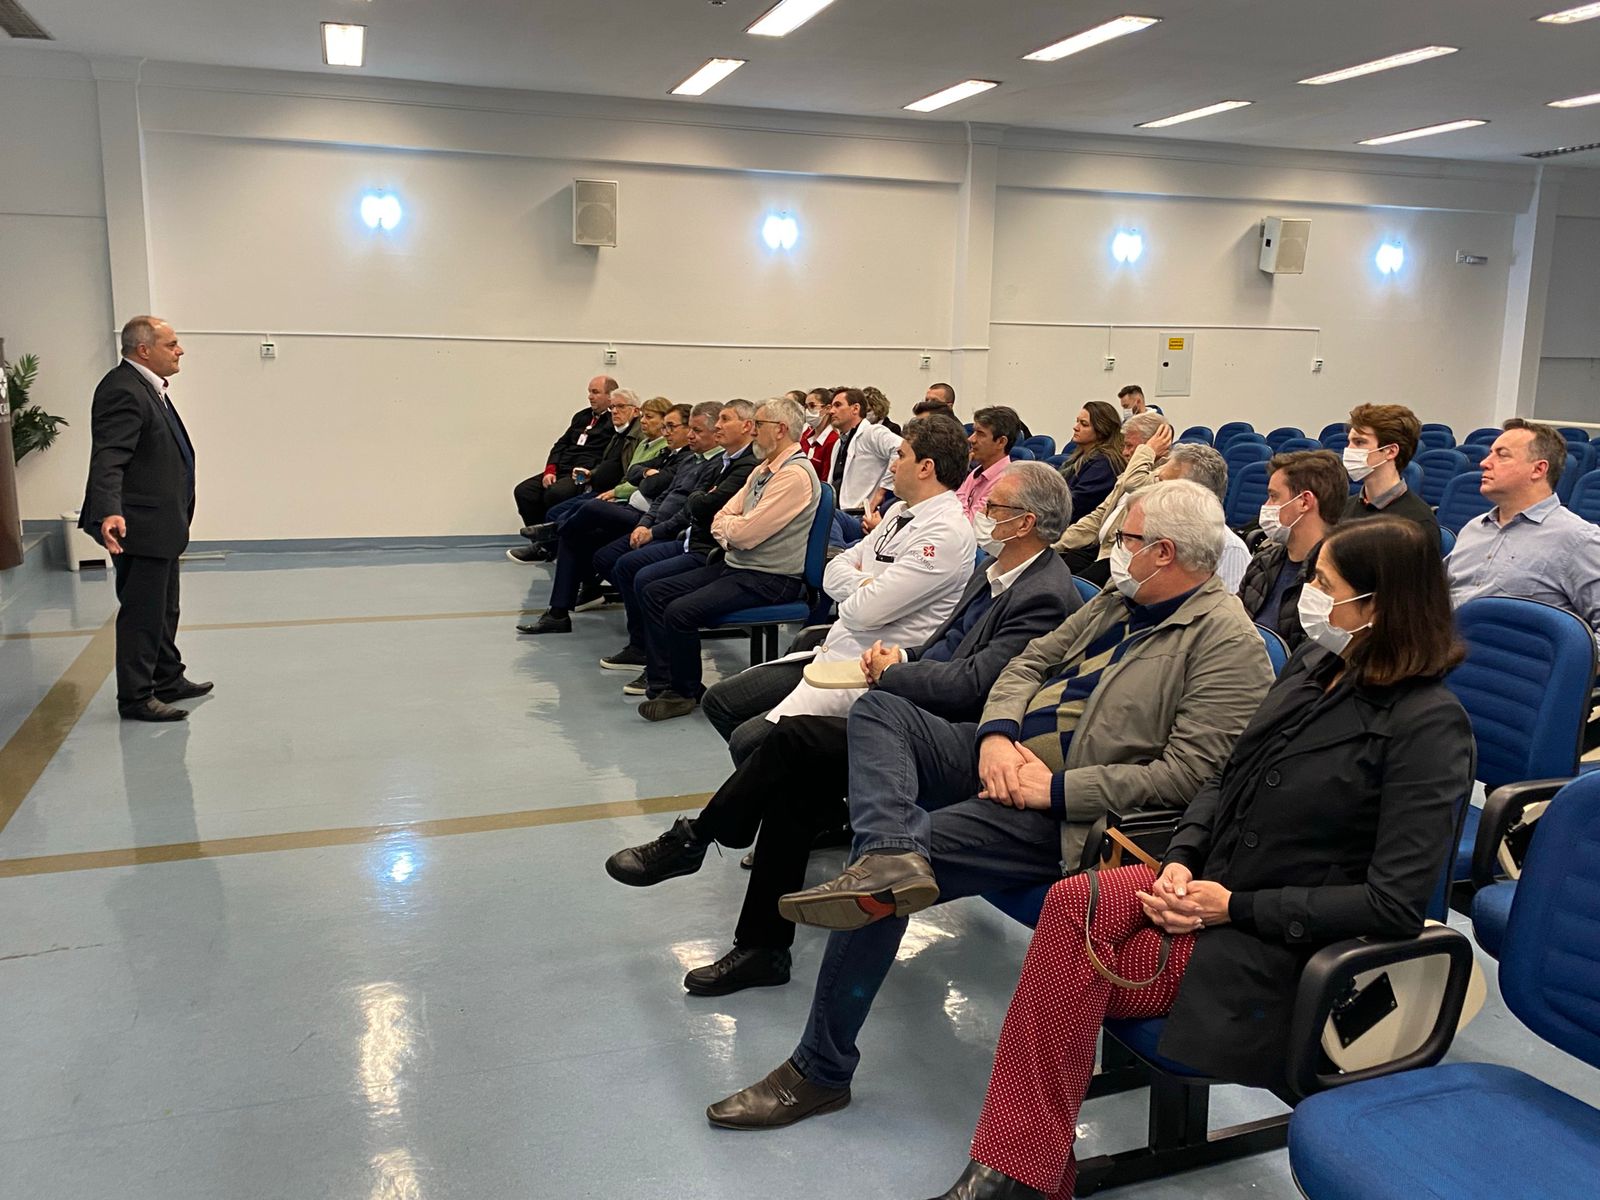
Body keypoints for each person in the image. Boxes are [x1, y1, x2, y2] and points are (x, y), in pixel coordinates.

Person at [925, 516, 1472, 1200]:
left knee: (1077, 969)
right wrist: (1182, 858)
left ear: (1378, 607)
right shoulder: (1317, 664)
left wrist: (1230, 907)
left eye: (1325, 585)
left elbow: (1392, 903)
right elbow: (1226, 776)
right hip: (1210, 882)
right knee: (1075, 904)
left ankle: (1018, 1172)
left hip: (1276, 935)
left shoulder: (1427, 724)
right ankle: (1025, 1167)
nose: (1308, 592)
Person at [704, 481, 1274, 1131]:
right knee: (882, 712)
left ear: (1165, 553)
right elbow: (1029, 666)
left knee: (885, 884)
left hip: (1072, 817)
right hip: (1007, 760)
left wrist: (1052, 790)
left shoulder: (1228, 646)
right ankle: (891, 852)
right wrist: (1000, 737)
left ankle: (819, 1069)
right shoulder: (1120, 599)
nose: (1115, 551)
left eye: (1127, 541)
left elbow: (1189, 779)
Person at [603, 464, 1082, 997]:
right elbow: (948, 649)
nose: (984, 517)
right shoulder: (995, 572)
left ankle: (696, 842)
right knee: (795, 767)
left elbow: (976, 685)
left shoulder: (1043, 594)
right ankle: (759, 943)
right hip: (917, 710)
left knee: (795, 741)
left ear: (1025, 523)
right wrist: (902, 657)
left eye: (995, 509)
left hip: (962, 738)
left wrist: (897, 673)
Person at [700, 414, 977, 764]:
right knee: (720, 702)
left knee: (749, 741)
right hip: (837, 646)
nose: (893, 464)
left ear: (925, 467)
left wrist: (858, 592)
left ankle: (793, 797)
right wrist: (865, 585)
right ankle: (787, 786)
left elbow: (863, 611)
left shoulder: (945, 532)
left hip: (869, 670)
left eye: (901, 455)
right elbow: (834, 570)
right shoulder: (899, 513)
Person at [635, 397, 822, 720]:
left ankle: (683, 692)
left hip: (772, 578)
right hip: (739, 565)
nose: (753, 432)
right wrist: (729, 531)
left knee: (680, 611)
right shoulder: (764, 468)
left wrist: (730, 531)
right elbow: (722, 515)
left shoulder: (794, 475)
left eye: (758, 425)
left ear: (779, 430)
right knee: (655, 591)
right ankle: (667, 683)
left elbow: (745, 534)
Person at [79, 316, 211, 722]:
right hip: (139, 525)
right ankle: (136, 698)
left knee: (164, 607)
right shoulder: (123, 391)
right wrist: (109, 510)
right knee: (142, 612)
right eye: (172, 344)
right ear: (144, 350)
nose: (180, 350)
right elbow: (109, 457)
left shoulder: (148, 389)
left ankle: (168, 677)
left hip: (161, 525)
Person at [517, 403, 693, 635]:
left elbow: (654, 486)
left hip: (647, 519)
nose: (666, 431)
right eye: (666, 426)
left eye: (671, 427)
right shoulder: (666, 453)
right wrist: (645, 474)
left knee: (592, 507)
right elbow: (632, 472)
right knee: (574, 537)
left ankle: (551, 536)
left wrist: (645, 477)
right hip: (633, 510)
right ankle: (557, 614)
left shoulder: (687, 458)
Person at [593, 402, 732, 673]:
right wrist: (646, 524)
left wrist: (654, 531)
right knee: (610, 556)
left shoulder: (718, 464)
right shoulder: (693, 459)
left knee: (638, 572)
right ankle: (643, 642)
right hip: (662, 526)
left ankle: (651, 653)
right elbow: (662, 496)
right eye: (689, 429)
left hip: (685, 537)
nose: (690, 436)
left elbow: (690, 509)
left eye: (696, 430)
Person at [1449, 418, 1600, 647]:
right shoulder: (1474, 528)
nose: (1484, 463)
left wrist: (1569, 673)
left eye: (1502, 455)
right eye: (1490, 453)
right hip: (1443, 660)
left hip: (1511, 673)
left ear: (1538, 469)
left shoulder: (1578, 539)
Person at [515, 388, 648, 559]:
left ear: (636, 411)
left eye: (620, 406)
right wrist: (555, 469)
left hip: (611, 491)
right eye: (613, 407)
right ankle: (546, 545)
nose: (614, 411)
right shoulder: (588, 419)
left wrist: (613, 491)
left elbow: (630, 473)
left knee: (558, 501)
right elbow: (562, 445)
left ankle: (548, 546)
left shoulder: (634, 436)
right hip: (577, 473)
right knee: (525, 492)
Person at [1238, 449, 1347, 648]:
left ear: (1304, 502)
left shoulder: (1337, 577)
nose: (1266, 505)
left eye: (1274, 497)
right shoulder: (1263, 561)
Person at [508, 375, 619, 560]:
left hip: (583, 473)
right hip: (561, 468)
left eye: (595, 392)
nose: (590, 397)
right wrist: (550, 470)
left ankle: (555, 546)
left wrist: (591, 474)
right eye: (589, 392)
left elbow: (610, 457)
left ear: (610, 396)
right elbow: (560, 444)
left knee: (556, 493)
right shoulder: (581, 416)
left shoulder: (613, 423)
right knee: (524, 491)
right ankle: (542, 544)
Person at [1054, 411, 1170, 574]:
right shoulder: (1129, 473)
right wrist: (1056, 545)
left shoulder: (1165, 476)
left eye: (1131, 446)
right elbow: (1098, 517)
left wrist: (1147, 450)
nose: (1124, 452)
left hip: (1122, 559)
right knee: (1049, 568)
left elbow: (1134, 484)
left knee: (1074, 587)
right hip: (1097, 550)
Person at [1341, 402, 1439, 552]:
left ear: (1391, 451)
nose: (1349, 450)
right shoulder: (1344, 508)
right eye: (1349, 442)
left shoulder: (1418, 523)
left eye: (1359, 442)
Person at [829, 387, 901, 542]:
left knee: (825, 513)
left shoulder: (873, 433)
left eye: (838, 405)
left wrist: (882, 492)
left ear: (855, 408)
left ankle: (834, 556)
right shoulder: (838, 443)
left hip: (857, 516)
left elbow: (900, 449)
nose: (831, 411)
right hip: (840, 513)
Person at [1057, 400, 1127, 523]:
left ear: (1101, 431)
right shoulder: (1079, 457)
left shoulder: (1104, 465)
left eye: (1084, 424)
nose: (1076, 427)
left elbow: (1077, 505)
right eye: (1077, 421)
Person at [955, 406, 1021, 522]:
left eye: (980, 433)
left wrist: (959, 477)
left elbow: (969, 525)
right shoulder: (978, 471)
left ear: (1001, 442)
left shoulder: (1004, 483)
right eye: (974, 432)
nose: (971, 439)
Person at [798, 387, 839, 483]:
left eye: (812, 406)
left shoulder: (833, 441)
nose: (807, 411)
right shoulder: (805, 435)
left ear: (827, 409)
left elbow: (825, 480)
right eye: (806, 407)